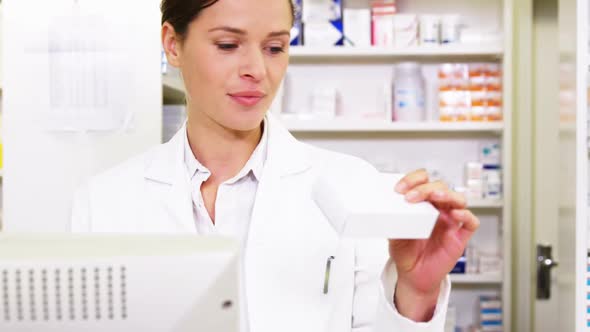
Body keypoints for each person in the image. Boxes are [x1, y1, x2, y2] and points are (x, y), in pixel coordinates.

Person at [71, 0, 480, 331]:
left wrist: (414, 295)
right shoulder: (104, 202)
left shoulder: (350, 186)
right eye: (228, 45)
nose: (257, 71)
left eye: (274, 47)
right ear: (173, 44)